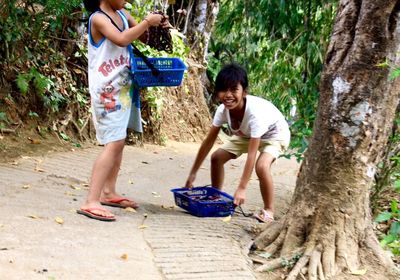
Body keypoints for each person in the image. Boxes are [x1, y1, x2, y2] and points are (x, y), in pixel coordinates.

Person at [77, 0, 166, 221]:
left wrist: (157, 25)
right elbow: (122, 38)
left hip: (124, 88)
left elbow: (142, 37)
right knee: (113, 142)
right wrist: (147, 21)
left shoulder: (123, 14)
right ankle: (91, 200)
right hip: (106, 91)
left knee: (119, 140)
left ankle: (109, 191)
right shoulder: (98, 18)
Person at [185, 63, 290, 223]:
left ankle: (269, 210)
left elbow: (252, 154)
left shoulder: (255, 114)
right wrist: (193, 173)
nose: (228, 95)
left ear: (244, 92)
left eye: (234, 90)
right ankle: (216, 196)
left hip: (274, 135)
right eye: (223, 90)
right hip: (246, 135)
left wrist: (242, 188)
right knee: (216, 157)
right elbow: (208, 142)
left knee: (261, 166)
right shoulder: (222, 111)